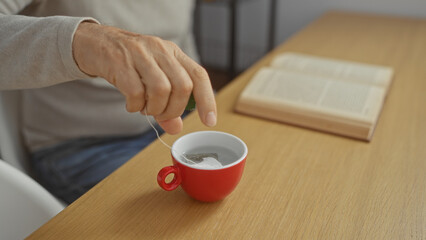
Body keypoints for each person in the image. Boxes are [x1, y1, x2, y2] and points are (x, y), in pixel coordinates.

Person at [0, 0, 217, 203]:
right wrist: (88, 43)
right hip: (86, 147)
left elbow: (179, 36)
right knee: (178, 213)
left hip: (176, 122)